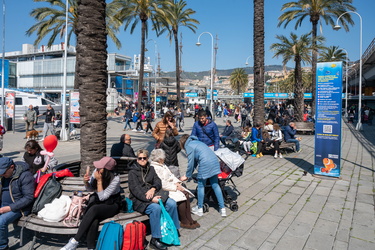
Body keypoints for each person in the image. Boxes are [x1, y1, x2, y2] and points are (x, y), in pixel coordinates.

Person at [61, 157, 122, 250]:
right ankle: (91, 247)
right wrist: (86, 182)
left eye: (100, 167)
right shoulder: (96, 171)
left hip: (112, 204)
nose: (97, 169)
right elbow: (90, 189)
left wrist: (99, 181)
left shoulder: (115, 179)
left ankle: (75, 241)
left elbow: (103, 197)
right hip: (98, 201)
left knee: (94, 209)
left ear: (106, 170)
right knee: (94, 217)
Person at [128, 149, 180, 250]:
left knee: (172, 203)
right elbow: (135, 190)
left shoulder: (151, 168)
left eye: (144, 158)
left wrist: (153, 188)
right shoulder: (132, 172)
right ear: (137, 159)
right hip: (140, 200)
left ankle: (173, 230)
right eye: (140, 158)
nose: (142, 160)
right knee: (156, 208)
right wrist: (151, 198)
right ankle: (155, 239)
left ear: (147, 159)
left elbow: (158, 181)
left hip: (154, 194)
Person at [150, 149, 199, 229]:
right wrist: (175, 187)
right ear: (159, 159)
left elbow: (171, 175)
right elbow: (161, 183)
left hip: (171, 185)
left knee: (185, 193)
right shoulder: (155, 167)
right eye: (163, 158)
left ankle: (189, 218)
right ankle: (184, 221)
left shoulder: (162, 165)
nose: (164, 159)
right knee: (181, 197)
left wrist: (177, 183)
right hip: (165, 189)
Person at [179, 135, 226, 217]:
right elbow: (195, 161)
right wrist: (189, 174)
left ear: (183, 143)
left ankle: (200, 209)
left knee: (201, 185)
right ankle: (222, 209)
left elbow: (191, 163)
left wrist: (187, 175)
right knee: (215, 185)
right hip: (214, 161)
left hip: (205, 163)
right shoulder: (197, 142)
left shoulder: (188, 146)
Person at [0, 158, 34, 250]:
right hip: (3, 204)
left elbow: (28, 197)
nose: (2, 174)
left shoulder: (25, 175)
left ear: (12, 167)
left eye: (4, 172)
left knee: (1, 221)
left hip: (19, 208)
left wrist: (9, 208)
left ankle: (2, 246)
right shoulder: (4, 176)